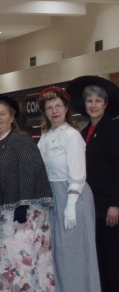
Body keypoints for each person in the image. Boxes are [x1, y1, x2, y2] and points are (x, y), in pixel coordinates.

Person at [0, 95, 54, 292]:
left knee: (21, 264)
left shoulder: (19, 138)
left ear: (12, 117)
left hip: (21, 214)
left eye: (2, 114)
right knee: (0, 264)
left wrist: (23, 204)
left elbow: (30, 168)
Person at [37, 86, 100, 292]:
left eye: (58, 106)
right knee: (58, 256)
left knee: (75, 254)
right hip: (53, 196)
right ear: (44, 111)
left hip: (72, 195)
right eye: (49, 107)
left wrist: (71, 205)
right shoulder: (45, 137)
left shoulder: (72, 135)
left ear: (66, 109)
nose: (54, 110)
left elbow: (78, 174)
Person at [67, 76, 119, 292]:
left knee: (112, 259)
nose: (94, 105)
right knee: (97, 258)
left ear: (106, 104)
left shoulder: (114, 129)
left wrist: (115, 204)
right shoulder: (82, 132)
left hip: (109, 208)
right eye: (90, 100)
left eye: (98, 100)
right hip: (90, 207)